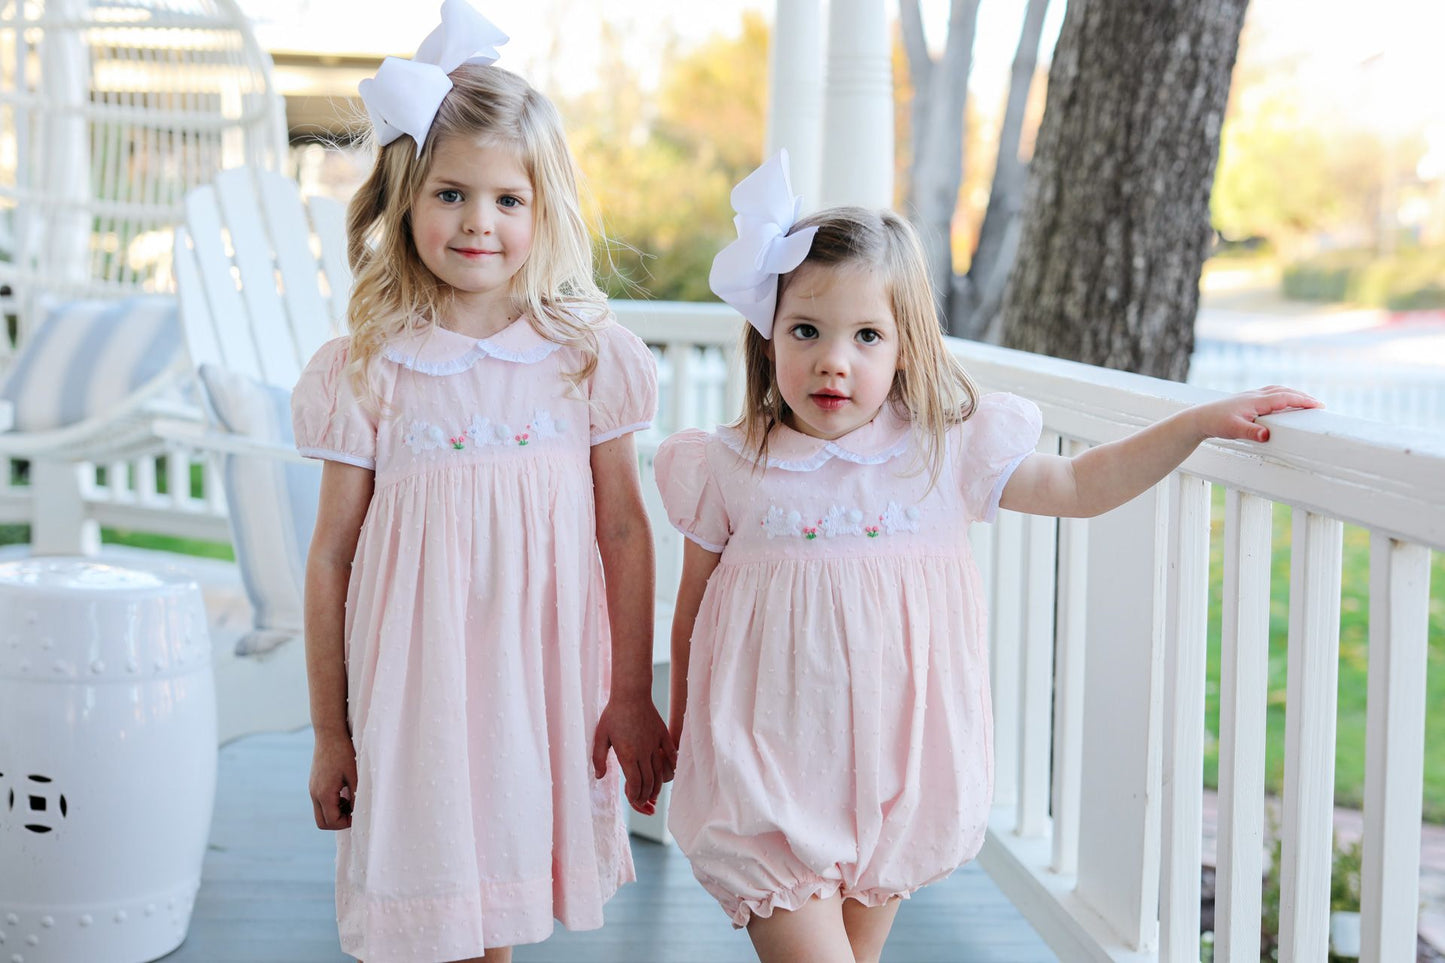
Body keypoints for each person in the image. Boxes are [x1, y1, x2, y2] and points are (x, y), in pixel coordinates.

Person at [655, 151, 1319, 963]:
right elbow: (693, 607)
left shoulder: (942, 453)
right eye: (807, 330)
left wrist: (1193, 422)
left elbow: (1078, 485)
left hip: (893, 779)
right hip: (761, 778)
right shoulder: (728, 465)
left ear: (905, 347)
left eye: (867, 335)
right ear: (766, 337)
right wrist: (679, 732)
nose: (835, 358)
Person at [292, 4, 673, 960]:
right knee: (436, 915)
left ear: (546, 210)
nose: (479, 222)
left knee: (494, 919)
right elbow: (332, 554)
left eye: (509, 199)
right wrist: (330, 733)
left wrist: (629, 691)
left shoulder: (587, 358)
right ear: (405, 201)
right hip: (415, 691)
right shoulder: (370, 365)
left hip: (535, 687)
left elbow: (623, 530)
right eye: (451, 194)